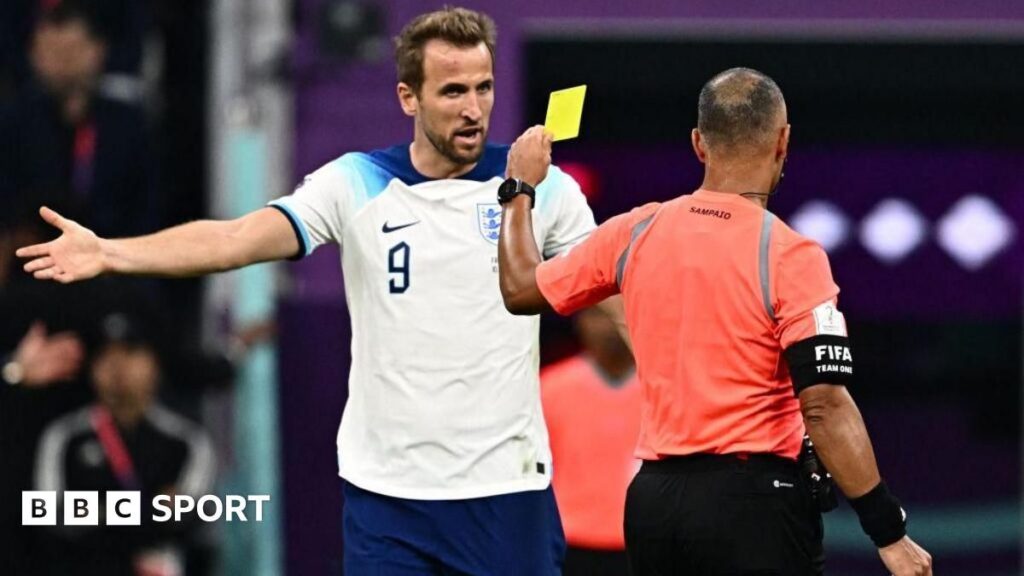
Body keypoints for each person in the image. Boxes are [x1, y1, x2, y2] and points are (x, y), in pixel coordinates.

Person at [17, 7, 599, 574]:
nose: (474, 109)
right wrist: (111, 251)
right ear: (408, 98)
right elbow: (236, 238)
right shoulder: (355, 181)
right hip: (388, 497)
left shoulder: (543, 190)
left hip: (506, 493)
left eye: (484, 88)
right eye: (452, 92)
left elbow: (611, 296)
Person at [496, 68, 933, 575]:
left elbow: (519, 288)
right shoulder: (792, 255)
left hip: (653, 504)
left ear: (699, 144)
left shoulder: (635, 232)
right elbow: (825, 405)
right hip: (754, 506)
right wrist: (889, 530)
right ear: (783, 141)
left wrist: (520, 186)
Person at [33, 312, 215, 576]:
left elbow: (190, 516)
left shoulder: (186, 441)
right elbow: (46, 513)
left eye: (130, 352)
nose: (117, 366)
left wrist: (98, 509)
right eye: (104, 356)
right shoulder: (64, 437)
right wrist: (149, 506)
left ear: (154, 363)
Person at [0, 0, 156, 239]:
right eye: (53, 51)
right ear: (33, 54)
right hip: (34, 259)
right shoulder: (14, 126)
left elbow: (146, 209)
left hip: (114, 259)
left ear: (99, 50)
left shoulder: (128, 127)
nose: (63, 62)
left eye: (72, 51)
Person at [541, 305, 640, 576]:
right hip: (571, 544)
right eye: (596, 314)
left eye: (615, 313)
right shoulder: (549, 388)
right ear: (579, 322)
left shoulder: (663, 390)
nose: (606, 326)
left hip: (643, 543)